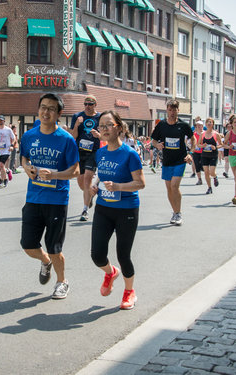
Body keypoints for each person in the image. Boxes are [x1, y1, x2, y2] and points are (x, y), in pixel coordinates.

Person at [20, 93, 79, 299]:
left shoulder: (66, 140)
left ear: (59, 114)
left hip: (56, 200)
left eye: (51, 109)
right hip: (33, 198)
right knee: (27, 245)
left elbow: (75, 170)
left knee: (54, 247)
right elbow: (24, 158)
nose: (46, 112)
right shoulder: (29, 136)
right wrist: (27, 168)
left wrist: (54, 175)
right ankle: (45, 262)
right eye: (43, 107)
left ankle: (62, 281)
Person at [89, 110, 145, 310]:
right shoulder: (101, 152)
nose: (103, 129)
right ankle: (111, 272)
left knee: (124, 255)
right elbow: (100, 176)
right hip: (104, 207)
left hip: (126, 209)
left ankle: (129, 291)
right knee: (97, 254)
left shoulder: (130, 154)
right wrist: (95, 186)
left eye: (108, 125)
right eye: (101, 126)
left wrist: (119, 187)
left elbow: (140, 183)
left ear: (118, 128)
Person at [151, 99, 194, 225]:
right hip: (167, 161)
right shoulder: (162, 125)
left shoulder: (183, 125)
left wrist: (190, 153)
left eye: (174, 110)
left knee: (175, 186)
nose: (172, 112)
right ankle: (174, 212)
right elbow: (153, 140)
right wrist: (157, 145)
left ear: (178, 111)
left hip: (180, 160)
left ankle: (178, 213)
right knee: (169, 189)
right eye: (170, 110)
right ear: (167, 111)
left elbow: (193, 139)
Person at [69, 95, 101, 221]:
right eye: (85, 104)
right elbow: (73, 136)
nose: (87, 106)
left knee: (87, 179)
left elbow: (105, 135)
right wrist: (76, 125)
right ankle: (90, 195)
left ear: (95, 105)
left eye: (90, 104)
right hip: (80, 152)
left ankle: (84, 210)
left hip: (93, 152)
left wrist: (98, 135)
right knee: (82, 183)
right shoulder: (77, 116)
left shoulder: (100, 117)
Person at [197, 117, 222, 194]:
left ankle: (215, 177)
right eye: (207, 122)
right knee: (206, 172)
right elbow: (198, 144)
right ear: (206, 124)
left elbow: (221, 144)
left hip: (213, 155)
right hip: (204, 155)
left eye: (210, 122)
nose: (209, 123)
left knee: (211, 172)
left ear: (213, 124)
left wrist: (215, 147)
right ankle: (209, 187)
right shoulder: (202, 134)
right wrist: (202, 146)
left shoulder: (216, 134)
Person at [0, 115, 15, 188]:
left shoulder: (8, 130)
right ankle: (3, 179)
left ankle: (4, 181)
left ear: (4, 121)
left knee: (1, 165)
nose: (0, 121)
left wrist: (11, 145)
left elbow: (13, 138)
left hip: (6, 150)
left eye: (2, 120)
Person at [192, 120, 204, 186]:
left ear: (202, 126)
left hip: (204, 152)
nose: (199, 127)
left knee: (203, 166)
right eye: (197, 126)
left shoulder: (205, 134)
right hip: (196, 152)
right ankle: (199, 179)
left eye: (200, 126)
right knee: (197, 166)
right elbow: (190, 142)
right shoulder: (194, 134)